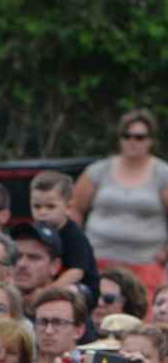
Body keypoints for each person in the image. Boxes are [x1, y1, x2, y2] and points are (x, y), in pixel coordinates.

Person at [72, 109, 168, 293]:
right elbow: (75, 208)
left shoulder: (162, 174)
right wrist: (79, 245)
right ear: (120, 139)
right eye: (127, 136)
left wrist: (165, 252)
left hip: (146, 264)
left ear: (150, 140)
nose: (132, 142)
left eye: (139, 137)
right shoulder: (98, 171)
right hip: (99, 260)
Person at [28, 171, 100, 303]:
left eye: (50, 207)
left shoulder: (74, 235)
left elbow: (76, 272)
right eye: (37, 206)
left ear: (68, 207)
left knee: (72, 290)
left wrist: (48, 292)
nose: (42, 212)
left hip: (82, 290)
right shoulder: (34, 231)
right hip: (51, 284)